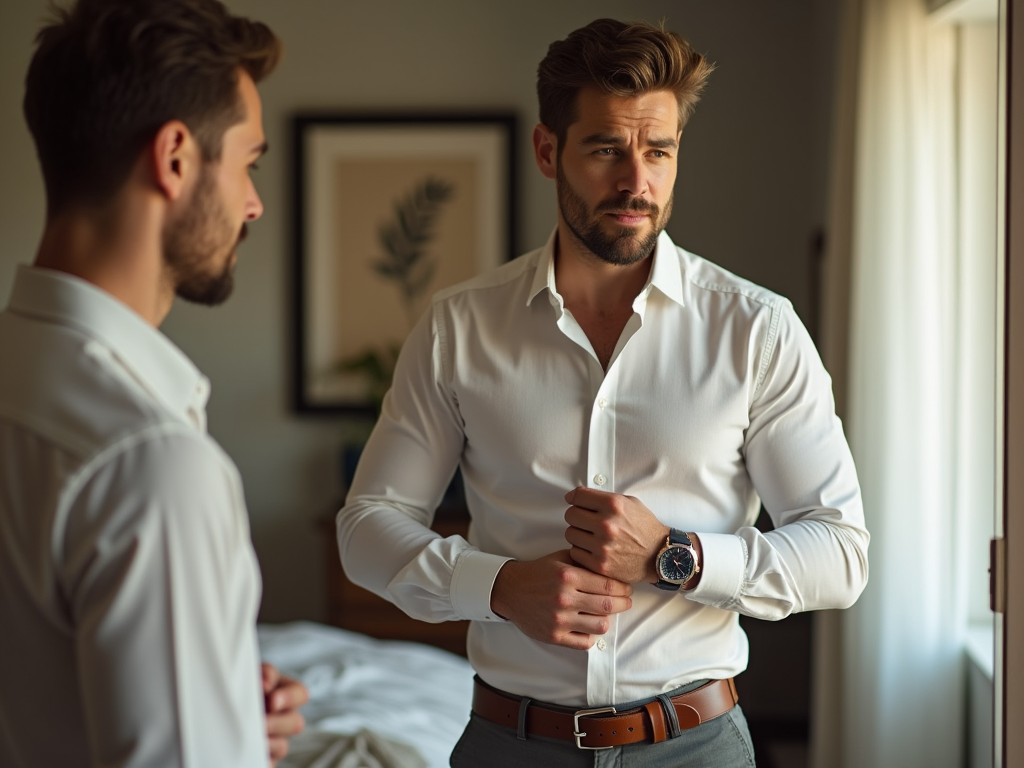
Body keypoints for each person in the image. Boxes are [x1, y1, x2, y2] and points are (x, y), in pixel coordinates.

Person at [336, 17, 869, 768]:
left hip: (697, 746)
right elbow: (366, 528)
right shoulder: (459, 325)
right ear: (548, 151)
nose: (636, 182)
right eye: (606, 149)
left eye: (659, 151)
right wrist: (496, 586)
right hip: (508, 745)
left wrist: (673, 556)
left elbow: (840, 553)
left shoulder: (759, 330)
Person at [0, 1, 308, 766]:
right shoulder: (151, 465)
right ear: (174, 157)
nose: (254, 203)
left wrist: (216, 709)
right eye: (248, 163)